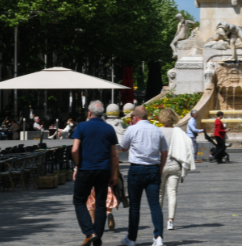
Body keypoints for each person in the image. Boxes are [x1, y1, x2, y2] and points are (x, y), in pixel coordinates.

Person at [119, 105, 169, 246]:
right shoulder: (157, 130)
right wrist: (160, 168)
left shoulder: (132, 129)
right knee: (155, 205)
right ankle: (158, 237)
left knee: (135, 206)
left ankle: (132, 238)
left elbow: (123, 147)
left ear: (135, 117)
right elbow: (164, 151)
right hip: (153, 169)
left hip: (136, 170)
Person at [72, 101, 120, 246]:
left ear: (89, 113)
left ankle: (89, 232)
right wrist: (113, 174)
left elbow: (74, 150)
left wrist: (76, 166)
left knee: (79, 201)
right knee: (100, 205)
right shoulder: (109, 129)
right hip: (103, 170)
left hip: (85, 169)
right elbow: (114, 155)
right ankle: (97, 239)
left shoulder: (81, 126)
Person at [157, 108, 195, 231]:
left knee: (160, 193)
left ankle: (158, 219)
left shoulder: (158, 131)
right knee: (172, 193)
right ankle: (170, 221)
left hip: (161, 165)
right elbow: (188, 143)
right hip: (175, 165)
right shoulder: (178, 131)